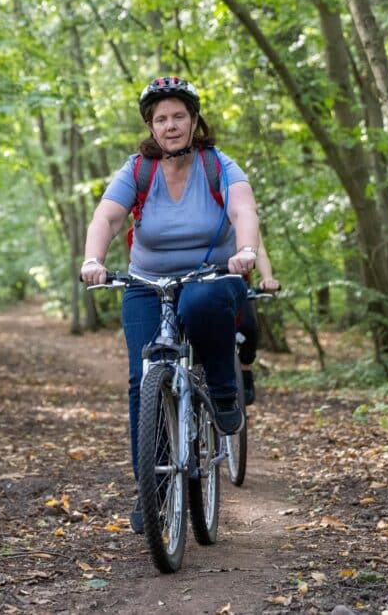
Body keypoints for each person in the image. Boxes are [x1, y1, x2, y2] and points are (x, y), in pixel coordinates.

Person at [79, 76, 259, 534]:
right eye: (161, 119)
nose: (171, 125)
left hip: (211, 278)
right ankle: (153, 492)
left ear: (194, 120)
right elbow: (108, 215)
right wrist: (93, 259)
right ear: (151, 127)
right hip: (146, 281)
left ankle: (222, 390)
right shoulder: (138, 169)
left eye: (179, 115)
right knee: (143, 380)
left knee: (202, 303)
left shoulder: (218, 164)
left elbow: (243, 210)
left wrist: (246, 251)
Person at [236, 233, 280, 407]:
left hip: (235, 280)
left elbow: (259, 250)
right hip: (197, 278)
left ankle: (245, 368)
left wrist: (267, 278)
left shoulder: (240, 211)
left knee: (248, 326)